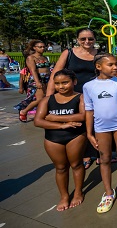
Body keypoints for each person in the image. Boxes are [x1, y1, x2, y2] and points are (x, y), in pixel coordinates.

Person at [84, 53, 117, 213]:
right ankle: (108, 192)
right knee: (104, 158)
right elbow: (88, 110)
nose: (115, 67)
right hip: (101, 128)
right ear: (98, 67)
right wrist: (89, 133)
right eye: (111, 65)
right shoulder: (89, 86)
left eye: (116, 64)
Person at [33, 69, 87, 211]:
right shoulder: (47, 100)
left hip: (75, 136)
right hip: (53, 138)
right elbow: (38, 121)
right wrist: (63, 126)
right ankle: (64, 196)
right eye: (57, 84)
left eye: (65, 82)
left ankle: (78, 191)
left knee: (76, 164)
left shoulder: (80, 97)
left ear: (74, 82)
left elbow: (82, 116)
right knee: (61, 168)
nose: (61, 87)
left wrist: (55, 118)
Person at [47, 28, 100, 170]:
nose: (87, 41)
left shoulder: (99, 54)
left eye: (90, 38)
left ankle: (97, 151)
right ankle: (84, 155)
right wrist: (48, 98)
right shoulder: (69, 53)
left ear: (95, 39)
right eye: (83, 39)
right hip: (73, 95)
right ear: (77, 40)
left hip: (95, 95)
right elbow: (55, 75)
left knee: (96, 123)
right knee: (78, 124)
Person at [15, 40, 51, 122]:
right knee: (39, 99)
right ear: (35, 48)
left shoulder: (44, 57)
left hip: (47, 78)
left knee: (48, 97)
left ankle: (45, 113)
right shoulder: (31, 58)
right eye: (40, 47)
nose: (42, 48)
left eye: (43, 47)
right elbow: (33, 70)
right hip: (38, 78)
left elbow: (48, 69)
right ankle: (24, 111)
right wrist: (37, 82)